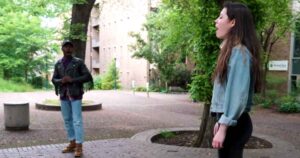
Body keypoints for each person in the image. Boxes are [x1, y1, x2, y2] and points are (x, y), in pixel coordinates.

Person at [210, 2, 261, 158]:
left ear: (233, 22)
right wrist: (221, 121)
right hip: (231, 122)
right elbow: (228, 93)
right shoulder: (231, 52)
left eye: (221, 17)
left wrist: (224, 125)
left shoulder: (239, 53)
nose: (216, 21)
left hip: (235, 124)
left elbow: (238, 95)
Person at [52, 40, 93, 157]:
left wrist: (72, 80)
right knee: (67, 120)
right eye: (66, 47)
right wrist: (61, 81)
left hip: (76, 94)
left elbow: (87, 76)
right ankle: (72, 143)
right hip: (64, 95)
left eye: (70, 47)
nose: (68, 49)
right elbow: (54, 79)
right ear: (62, 49)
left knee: (77, 120)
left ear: (73, 49)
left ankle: (79, 146)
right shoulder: (58, 63)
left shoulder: (78, 62)